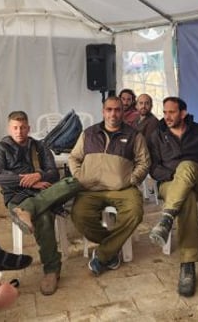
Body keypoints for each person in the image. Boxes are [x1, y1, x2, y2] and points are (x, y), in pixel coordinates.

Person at [0, 110, 81, 295]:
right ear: (9, 128)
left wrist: (38, 175)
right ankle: (51, 270)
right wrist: (27, 179)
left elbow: (53, 173)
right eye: (15, 127)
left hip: (41, 192)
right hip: (16, 197)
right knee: (45, 218)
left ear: (28, 128)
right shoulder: (0, 148)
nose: (19, 131)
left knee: (75, 181)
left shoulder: (39, 146)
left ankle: (27, 211)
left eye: (23, 127)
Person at [147, 96, 198, 297]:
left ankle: (166, 218)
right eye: (165, 112)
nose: (167, 116)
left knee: (187, 166)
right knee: (185, 194)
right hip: (169, 185)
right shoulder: (156, 135)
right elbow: (153, 168)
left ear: (183, 113)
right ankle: (187, 265)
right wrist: (178, 177)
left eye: (172, 112)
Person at [68, 96, 150, 276]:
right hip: (91, 189)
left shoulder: (134, 135)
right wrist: (79, 176)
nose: (113, 114)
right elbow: (74, 157)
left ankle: (103, 253)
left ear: (123, 111)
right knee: (79, 215)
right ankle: (112, 249)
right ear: (103, 111)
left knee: (135, 212)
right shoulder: (88, 133)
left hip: (122, 189)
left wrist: (131, 180)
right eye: (109, 109)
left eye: (117, 110)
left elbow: (144, 162)